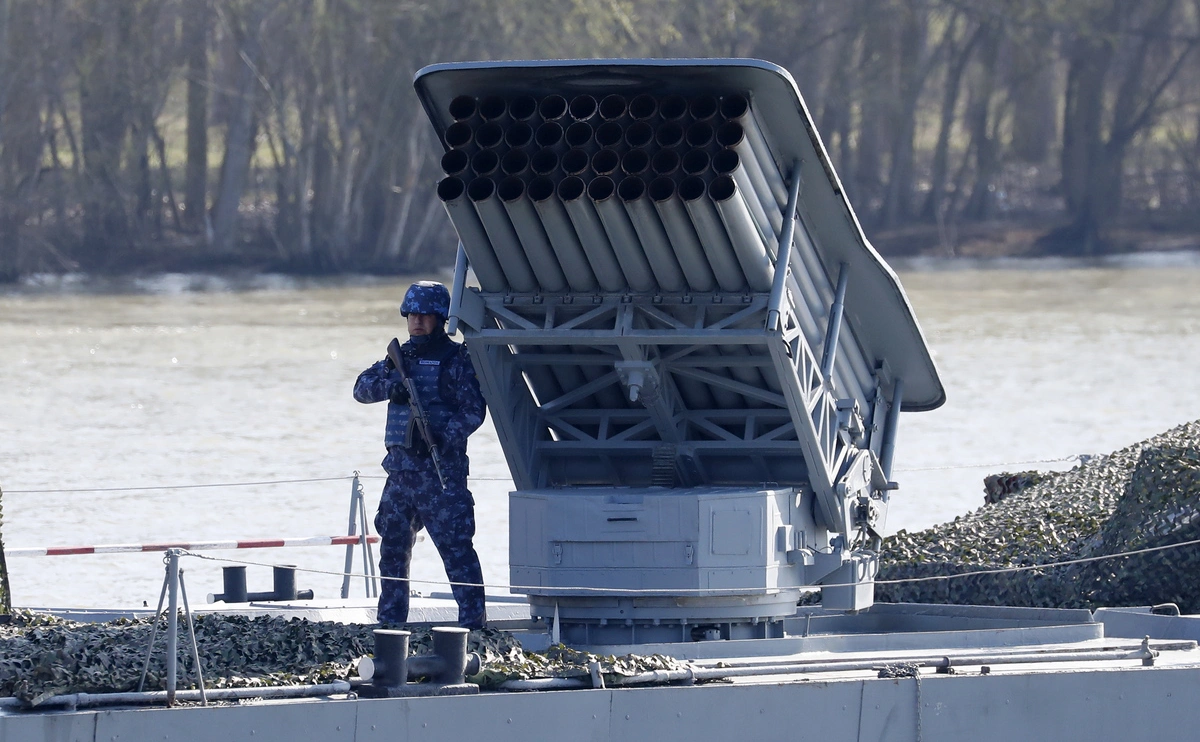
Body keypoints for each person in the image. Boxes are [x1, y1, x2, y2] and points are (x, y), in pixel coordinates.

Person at [353, 280, 488, 628]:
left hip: (440, 474)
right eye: (412, 314)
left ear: (440, 317)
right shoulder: (398, 358)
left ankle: (473, 626)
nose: (417, 322)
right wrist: (391, 387)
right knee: (392, 552)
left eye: (425, 315)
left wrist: (443, 437)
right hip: (400, 474)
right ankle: (390, 625)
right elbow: (360, 389)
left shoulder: (456, 359)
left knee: (456, 551)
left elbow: (474, 411)